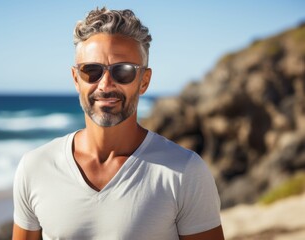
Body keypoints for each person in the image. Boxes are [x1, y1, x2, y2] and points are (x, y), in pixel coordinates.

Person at [12, 7, 224, 240]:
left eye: (122, 71)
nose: (105, 85)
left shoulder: (184, 171)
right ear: (76, 79)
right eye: (91, 71)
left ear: (144, 81)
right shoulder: (35, 167)